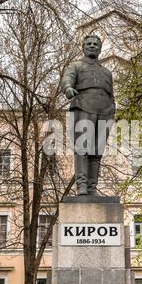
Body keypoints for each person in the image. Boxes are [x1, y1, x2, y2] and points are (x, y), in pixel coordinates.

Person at [61, 35, 115, 196]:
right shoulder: (76, 66)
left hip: (105, 110)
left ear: (99, 49)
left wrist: (112, 109)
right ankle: (82, 186)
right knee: (83, 148)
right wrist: (68, 88)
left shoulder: (107, 72)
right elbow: (67, 79)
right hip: (83, 106)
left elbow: (111, 93)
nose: (92, 46)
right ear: (83, 47)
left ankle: (92, 187)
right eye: (89, 44)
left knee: (96, 151)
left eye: (95, 44)